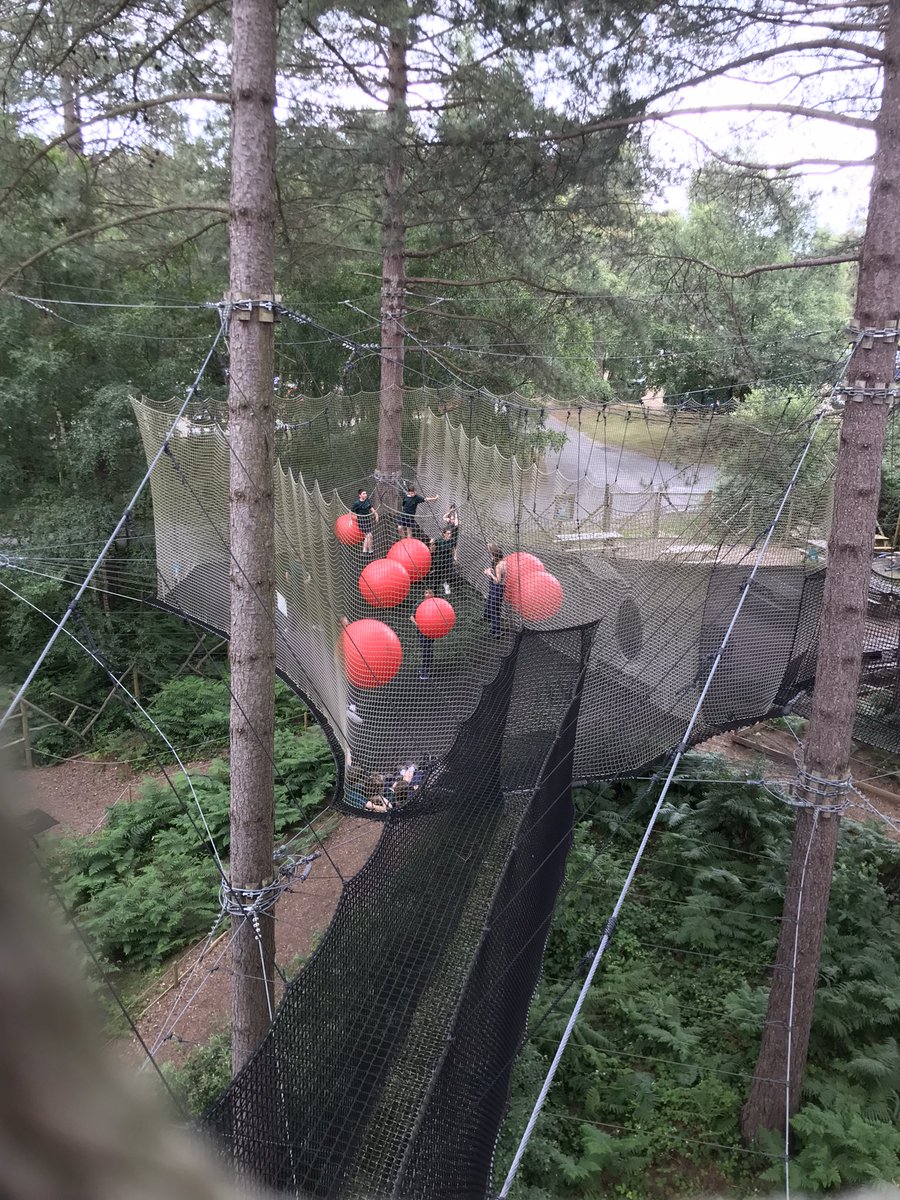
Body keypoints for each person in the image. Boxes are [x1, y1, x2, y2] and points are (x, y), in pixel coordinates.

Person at [411, 590, 436, 680]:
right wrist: (417, 623)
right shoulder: (420, 603)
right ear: (424, 594)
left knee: (429, 650)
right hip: (421, 631)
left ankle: (425, 668)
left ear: (433, 594)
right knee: (427, 649)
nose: (428, 594)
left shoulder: (436, 604)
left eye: (430, 593)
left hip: (432, 631)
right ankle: (424, 670)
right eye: (426, 592)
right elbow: (411, 616)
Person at [483, 543, 506, 637]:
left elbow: (497, 581)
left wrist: (490, 574)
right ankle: (494, 628)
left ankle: (497, 631)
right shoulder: (504, 562)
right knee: (496, 608)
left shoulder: (498, 566)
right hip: (501, 588)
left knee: (494, 609)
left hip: (497, 588)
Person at [351, 487, 379, 555]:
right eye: (364, 494)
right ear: (360, 495)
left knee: (369, 536)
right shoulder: (356, 503)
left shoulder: (367, 500)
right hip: (361, 522)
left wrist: (376, 514)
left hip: (368, 520)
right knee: (369, 535)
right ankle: (370, 551)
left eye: (366, 493)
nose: (365, 495)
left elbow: (371, 508)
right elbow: (351, 512)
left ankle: (365, 551)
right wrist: (351, 520)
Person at [430, 528, 455, 595]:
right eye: (448, 533)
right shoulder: (438, 541)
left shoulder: (451, 541)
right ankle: (435, 591)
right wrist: (432, 543)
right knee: (437, 577)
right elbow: (432, 551)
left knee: (449, 575)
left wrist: (454, 557)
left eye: (450, 533)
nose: (450, 535)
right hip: (439, 562)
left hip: (447, 562)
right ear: (444, 534)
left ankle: (446, 585)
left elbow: (453, 549)